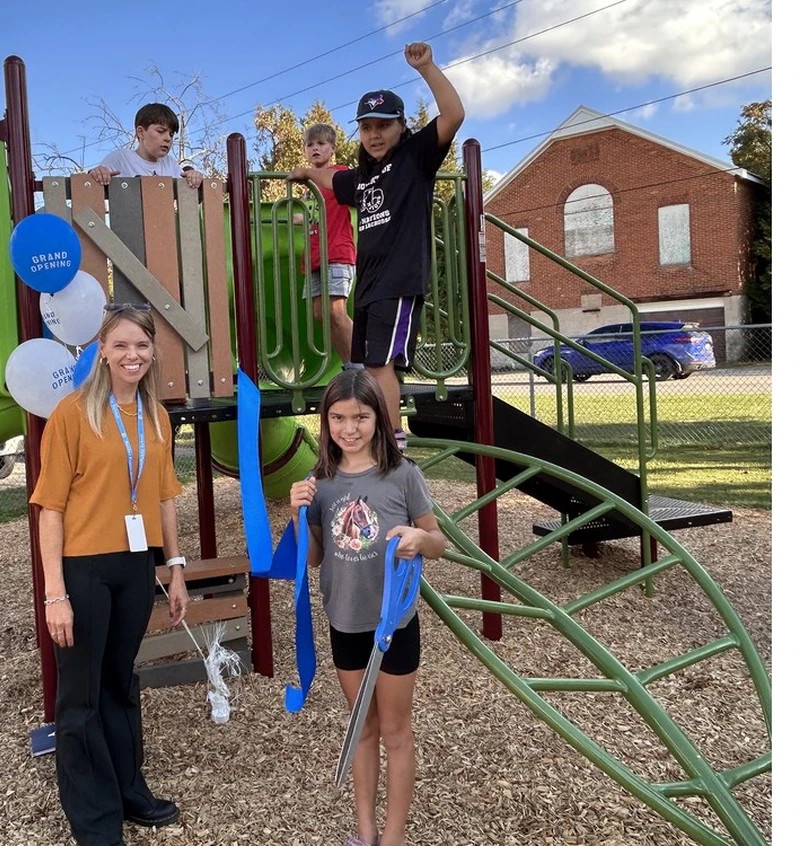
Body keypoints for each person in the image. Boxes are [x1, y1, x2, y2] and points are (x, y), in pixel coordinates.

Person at [30, 302, 190, 846]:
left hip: (134, 564)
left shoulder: (156, 416)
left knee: (121, 683)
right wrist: (55, 594)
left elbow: (165, 497)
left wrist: (175, 568)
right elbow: (50, 507)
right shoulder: (72, 415)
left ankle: (129, 790)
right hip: (83, 570)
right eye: (121, 345)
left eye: (142, 345)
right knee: (81, 696)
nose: (132, 355)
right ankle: (94, 818)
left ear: (152, 352)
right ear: (101, 349)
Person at [289, 368, 446, 846]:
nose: (349, 428)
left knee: (396, 730)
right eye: (338, 417)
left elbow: (438, 541)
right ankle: (365, 832)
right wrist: (295, 513)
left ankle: (394, 838)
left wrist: (421, 540)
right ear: (326, 421)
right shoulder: (320, 483)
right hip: (346, 621)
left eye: (360, 416)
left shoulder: (403, 475)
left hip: (394, 623)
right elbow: (313, 558)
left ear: (379, 417)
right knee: (362, 726)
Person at [289, 42, 465, 451]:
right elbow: (334, 181)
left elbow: (454, 115)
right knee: (369, 363)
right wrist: (308, 172)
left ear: (401, 127)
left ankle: (392, 440)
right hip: (369, 284)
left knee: (382, 364)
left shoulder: (415, 158)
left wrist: (427, 68)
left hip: (399, 279)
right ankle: (381, 435)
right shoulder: (364, 176)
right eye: (367, 127)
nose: (374, 134)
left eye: (383, 126)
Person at [293, 122, 357, 367]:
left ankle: (359, 364)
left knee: (336, 312)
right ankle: (350, 363)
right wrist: (299, 218)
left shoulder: (338, 175)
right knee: (321, 314)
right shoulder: (309, 188)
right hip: (315, 257)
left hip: (337, 252)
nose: (315, 149)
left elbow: (347, 199)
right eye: (310, 145)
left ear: (332, 148)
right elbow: (318, 213)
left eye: (321, 144)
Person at [88, 102, 205, 189]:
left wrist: (193, 176)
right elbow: (90, 181)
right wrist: (98, 173)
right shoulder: (121, 158)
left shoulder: (170, 163)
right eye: (160, 131)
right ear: (141, 132)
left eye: (171, 134)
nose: (168, 138)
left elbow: (187, 186)